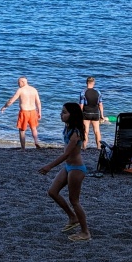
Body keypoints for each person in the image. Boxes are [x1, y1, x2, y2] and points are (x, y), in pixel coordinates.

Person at [38, 102, 90, 241]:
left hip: (76, 169)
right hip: (68, 167)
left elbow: (67, 154)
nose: (61, 114)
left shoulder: (76, 133)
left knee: (74, 201)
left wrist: (49, 166)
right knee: (52, 192)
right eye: (62, 111)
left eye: (65, 112)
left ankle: (85, 232)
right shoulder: (68, 128)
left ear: (72, 115)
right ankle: (72, 217)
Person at [1, 77, 43, 149]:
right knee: (34, 128)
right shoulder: (34, 90)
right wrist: (39, 112)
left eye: (18, 82)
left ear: (23, 82)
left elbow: (12, 100)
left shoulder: (20, 90)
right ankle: (36, 142)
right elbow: (38, 102)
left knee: (22, 130)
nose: (18, 84)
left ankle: (23, 148)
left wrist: (4, 107)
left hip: (24, 112)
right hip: (33, 111)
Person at [79, 77, 105, 149]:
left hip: (86, 113)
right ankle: (99, 148)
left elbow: (81, 105)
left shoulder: (83, 92)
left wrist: (78, 114)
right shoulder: (98, 92)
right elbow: (100, 104)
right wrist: (102, 115)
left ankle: (84, 147)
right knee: (97, 131)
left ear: (86, 82)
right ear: (93, 83)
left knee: (85, 131)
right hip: (95, 113)